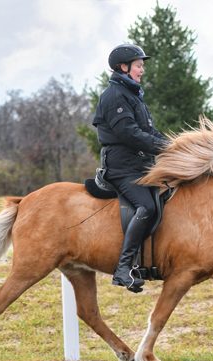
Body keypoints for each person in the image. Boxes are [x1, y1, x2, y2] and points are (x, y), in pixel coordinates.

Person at [92, 43, 169, 293]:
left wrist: (172, 145)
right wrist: (162, 148)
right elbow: (129, 134)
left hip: (140, 165)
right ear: (123, 67)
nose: (142, 70)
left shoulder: (134, 95)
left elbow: (147, 131)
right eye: (138, 66)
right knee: (145, 207)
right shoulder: (114, 95)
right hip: (122, 167)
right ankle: (123, 268)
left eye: (142, 66)